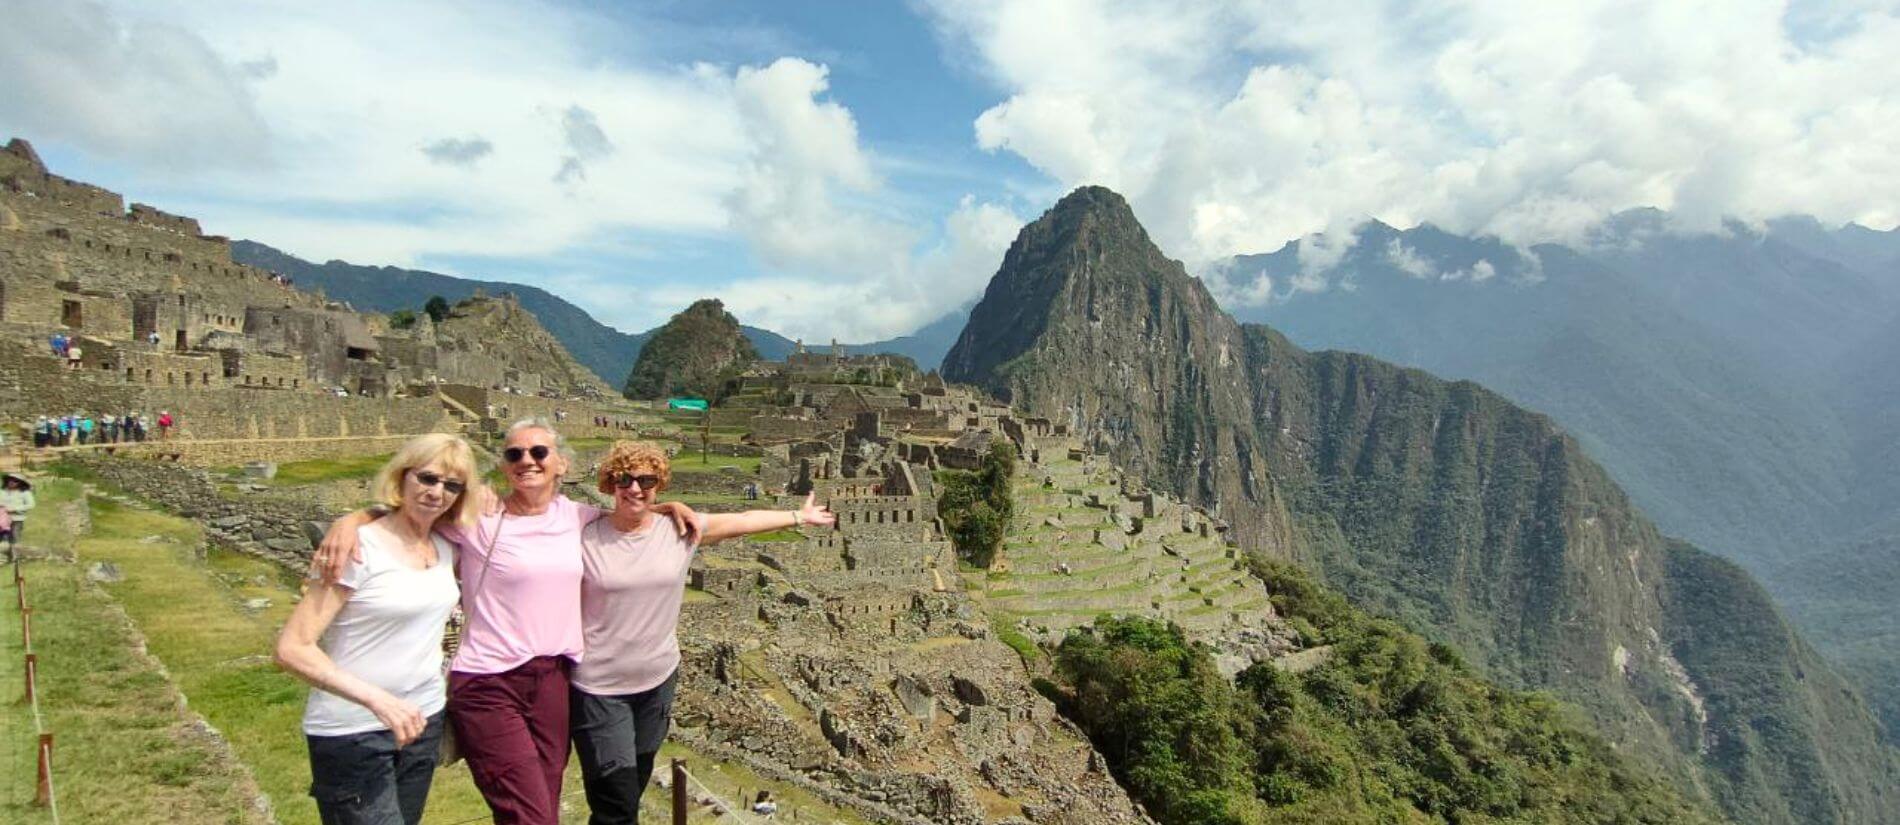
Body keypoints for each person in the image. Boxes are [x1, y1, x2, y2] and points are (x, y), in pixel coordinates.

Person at [315, 420, 699, 825]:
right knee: (532, 816)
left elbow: (629, 511)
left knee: (540, 804)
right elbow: (411, 515)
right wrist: (353, 519)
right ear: (503, 465)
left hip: (552, 682)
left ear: (561, 464)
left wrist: (667, 507)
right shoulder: (479, 520)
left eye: (538, 452)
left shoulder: (577, 516)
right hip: (488, 681)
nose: (526, 461)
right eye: (514, 454)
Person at [569, 440, 834, 824]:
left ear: (659, 484)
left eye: (646, 480)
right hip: (598, 690)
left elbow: (740, 522)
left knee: (633, 787)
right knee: (617, 804)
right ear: (610, 483)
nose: (635, 488)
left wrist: (797, 515)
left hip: (656, 684)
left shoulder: (680, 529)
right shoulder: (584, 533)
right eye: (624, 479)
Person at [274, 434, 479, 825]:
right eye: (428, 478)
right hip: (355, 729)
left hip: (422, 721)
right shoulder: (356, 549)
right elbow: (291, 648)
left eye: (452, 485)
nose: (438, 492)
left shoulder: (445, 547)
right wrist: (377, 700)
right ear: (403, 476)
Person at [0, 475, 35, 559]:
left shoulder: (25, 493)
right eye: (10, 480)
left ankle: (15, 558)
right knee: (2, 538)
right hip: (2, 519)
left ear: (20, 483)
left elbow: (31, 505)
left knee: (14, 538)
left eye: (15, 481)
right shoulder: (2, 491)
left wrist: (15, 509)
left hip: (16, 519)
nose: (12, 482)